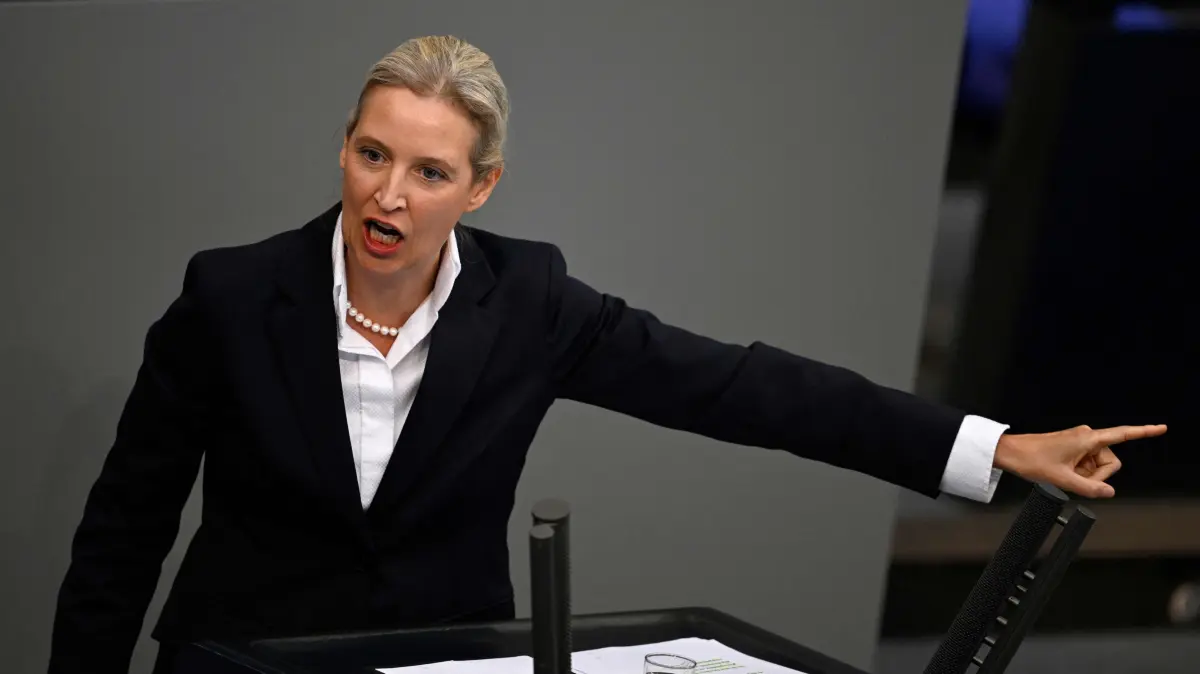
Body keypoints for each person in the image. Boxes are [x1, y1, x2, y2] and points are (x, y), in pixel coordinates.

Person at [48, 35, 1166, 674]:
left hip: (445, 662)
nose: (389, 193)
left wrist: (994, 445)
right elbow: (124, 524)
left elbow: (741, 385)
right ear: (344, 143)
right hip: (242, 665)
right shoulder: (232, 292)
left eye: (429, 172)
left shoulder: (528, 298)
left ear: (479, 187)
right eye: (371, 152)